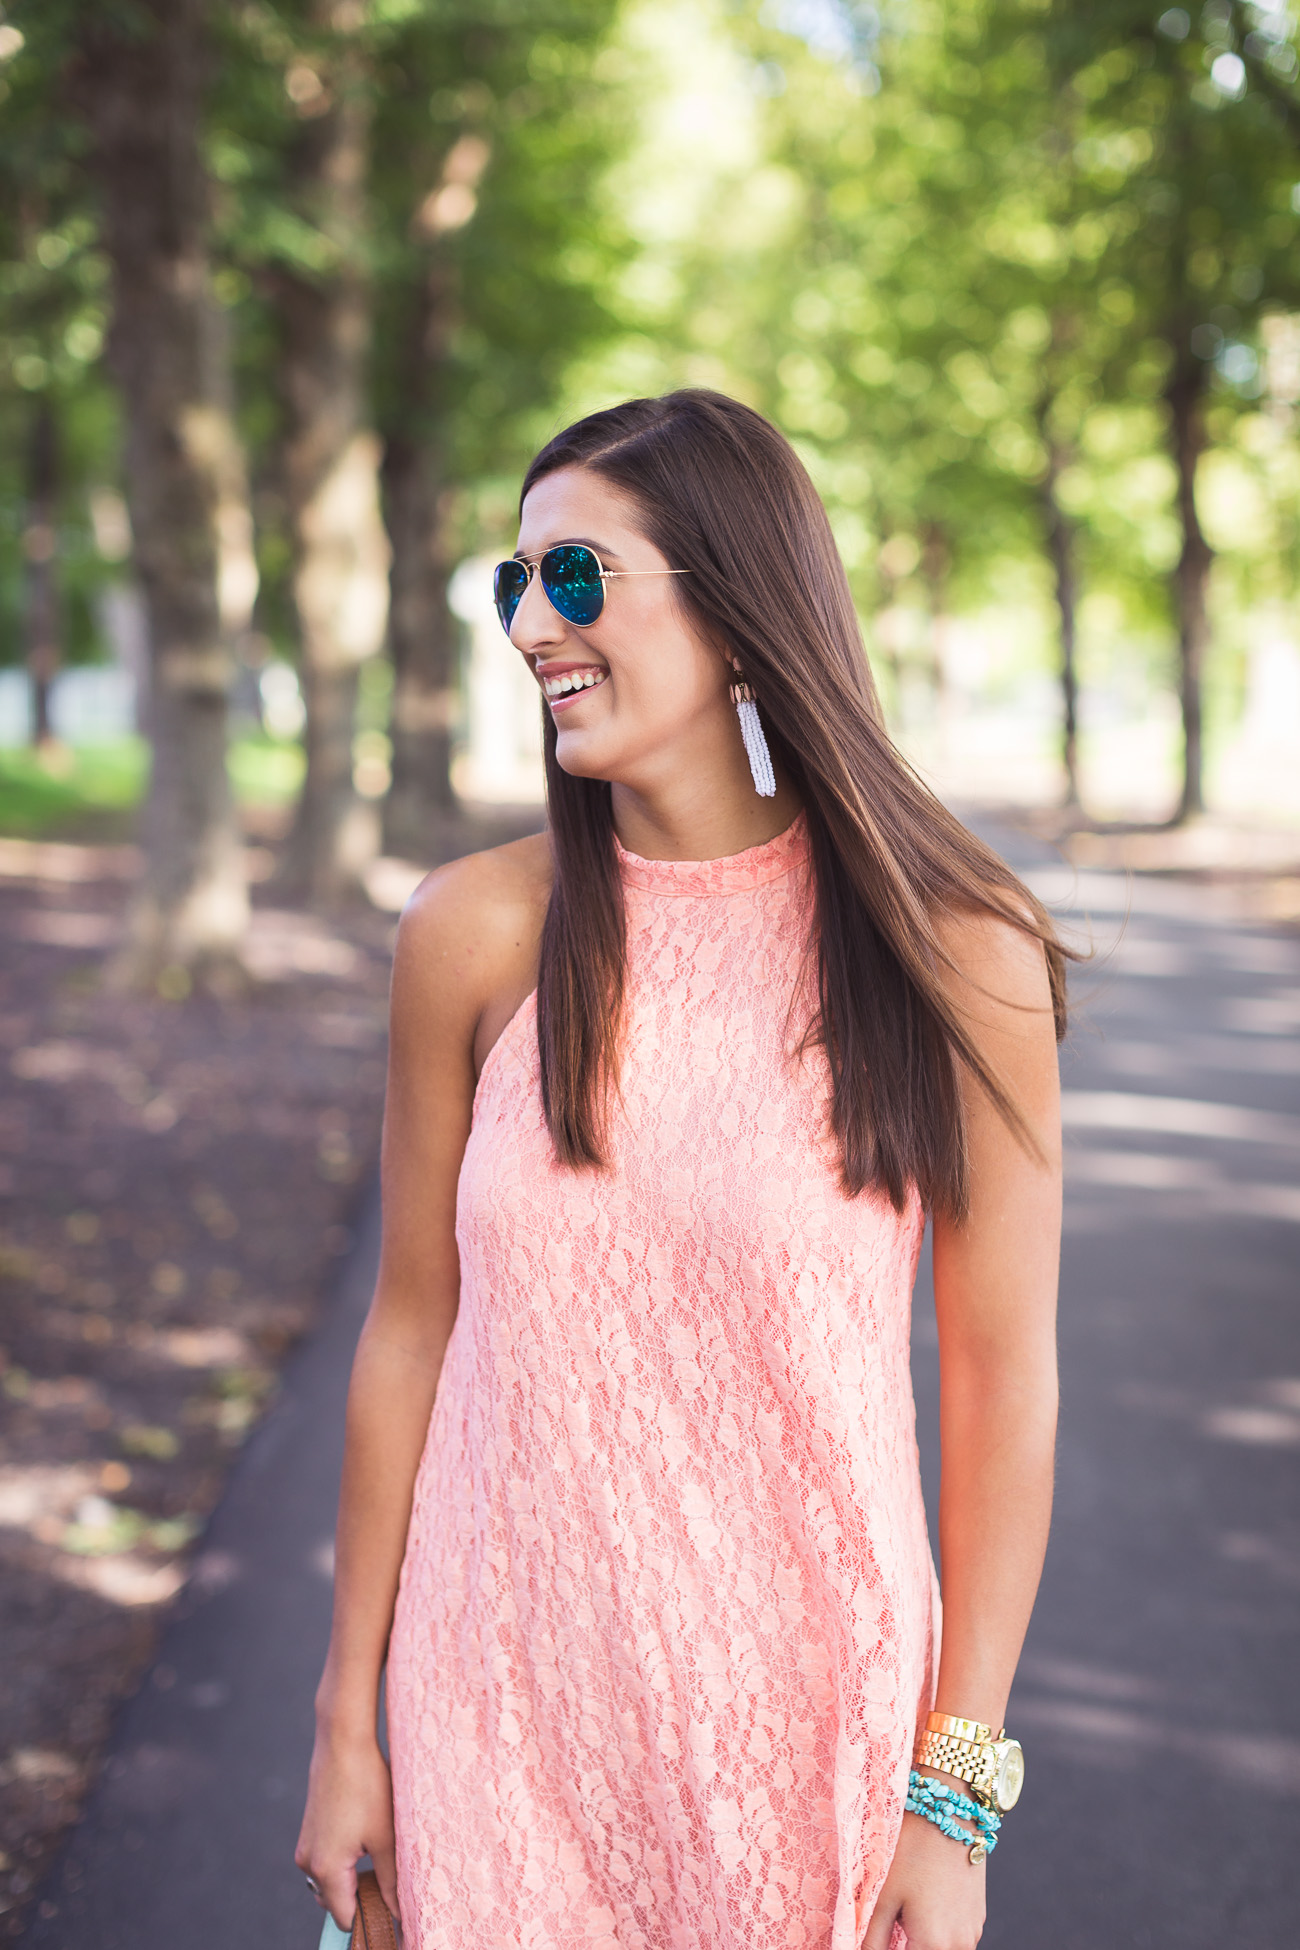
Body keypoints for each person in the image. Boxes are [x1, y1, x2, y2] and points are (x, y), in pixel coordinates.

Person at [295, 390, 1063, 1950]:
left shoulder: (956, 950)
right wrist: (343, 1723)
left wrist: (956, 1793)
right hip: (492, 1709)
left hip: (803, 1736)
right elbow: (407, 1331)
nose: (528, 623)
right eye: (512, 580)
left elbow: (1003, 1378)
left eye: (575, 576)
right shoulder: (473, 932)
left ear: (733, 604)